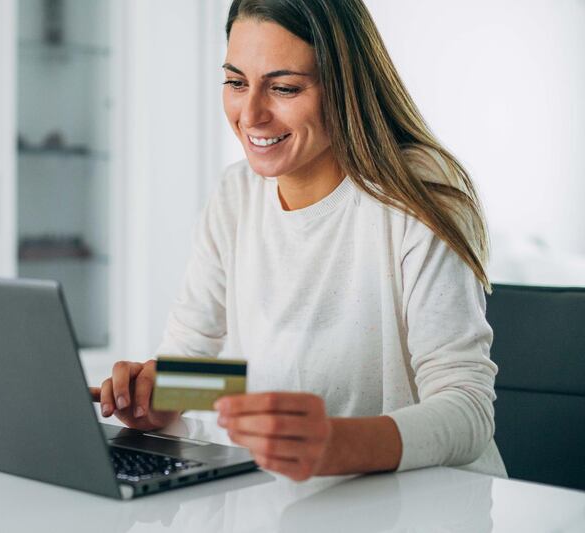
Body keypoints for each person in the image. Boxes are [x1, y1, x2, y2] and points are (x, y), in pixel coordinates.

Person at [90, 0, 507, 481]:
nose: (250, 115)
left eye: (284, 88)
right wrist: (162, 399)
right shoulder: (235, 195)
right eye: (235, 82)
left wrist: (337, 443)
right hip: (286, 499)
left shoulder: (421, 195)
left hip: (430, 502)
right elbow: (213, 369)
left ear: (346, 87)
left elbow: (468, 410)